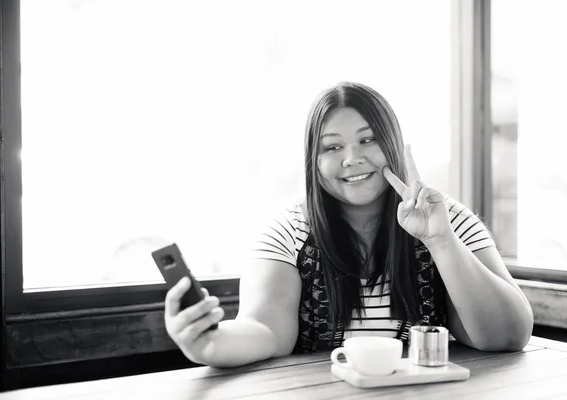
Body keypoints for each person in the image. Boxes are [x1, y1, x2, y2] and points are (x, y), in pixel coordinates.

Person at [163, 82, 534, 368]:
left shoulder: (445, 217)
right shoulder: (287, 233)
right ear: (314, 161)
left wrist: (440, 240)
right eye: (332, 147)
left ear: (393, 144)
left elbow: (507, 335)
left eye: (368, 139)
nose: (352, 159)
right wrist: (209, 343)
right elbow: (265, 330)